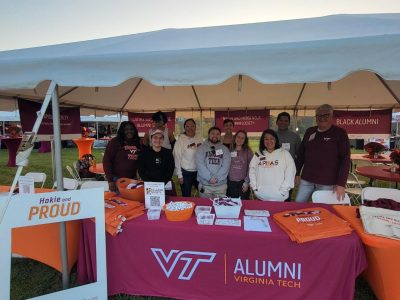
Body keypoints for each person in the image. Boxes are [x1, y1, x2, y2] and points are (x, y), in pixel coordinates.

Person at [295, 104, 351, 202]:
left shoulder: (340, 133)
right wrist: (296, 173)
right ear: (316, 117)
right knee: (298, 204)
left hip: (327, 182)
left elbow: (345, 160)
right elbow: (301, 154)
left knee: (322, 209)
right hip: (306, 179)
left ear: (331, 116)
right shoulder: (310, 131)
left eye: (326, 115)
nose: (322, 118)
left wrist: (341, 184)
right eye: (319, 115)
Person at [249, 129, 296, 201]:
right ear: (263, 141)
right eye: (266, 139)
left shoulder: (284, 153)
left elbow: (291, 172)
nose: (269, 141)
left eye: (271, 138)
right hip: (261, 196)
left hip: (279, 197)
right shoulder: (258, 154)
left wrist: (283, 191)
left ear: (276, 140)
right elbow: (252, 169)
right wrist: (255, 187)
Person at [103, 121, 141, 192]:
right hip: (117, 180)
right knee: (119, 201)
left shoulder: (138, 142)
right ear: (122, 131)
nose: (129, 131)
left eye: (131, 129)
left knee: (131, 201)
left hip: (132, 180)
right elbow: (107, 161)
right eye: (126, 129)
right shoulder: (115, 142)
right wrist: (110, 181)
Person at [195, 126, 231, 198]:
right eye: (213, 133)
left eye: (217, 134)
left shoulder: (225, 149)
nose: (215, 135)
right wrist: (209, 178)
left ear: (220, 136)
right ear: (208, 135)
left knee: (220, 207)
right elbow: (200, 165)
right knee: (206, 207)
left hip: (220, 186)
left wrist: (216, 178)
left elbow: (226, 166)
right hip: (205, 185)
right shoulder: (201, 148)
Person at [138, 128, 175, 195]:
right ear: (151, 139)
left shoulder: (168, 153)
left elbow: (170, 169)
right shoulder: (144, 153)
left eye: (161, 138)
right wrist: (151, 184)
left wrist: (162, 183)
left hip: (165, 184)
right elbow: (141, 171)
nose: (158, 140)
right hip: (149, 185)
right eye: (155, 137)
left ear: (163, 140)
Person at [173, 118, 203, 197]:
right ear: (184, 128)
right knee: (186, 196)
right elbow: (177, 158)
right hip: (186, 173)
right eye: (187, 126)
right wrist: (179, 175)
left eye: (192, 126)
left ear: (195, 127)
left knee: (203, 193)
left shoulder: (199, 138)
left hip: (198, 172)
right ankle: (187, 209)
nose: (190, 128)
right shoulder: (180, 140)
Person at [276, 111, 301, 201]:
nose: (283, 122)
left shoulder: (295, 137)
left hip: (289, 172)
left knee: (286, 196)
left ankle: (283, 213)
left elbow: (299, 156)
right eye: (281, 120)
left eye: (286, 121)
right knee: (274, 195)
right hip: (274, 171)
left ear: (289, 123)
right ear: (277, 122)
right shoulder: (272, 136)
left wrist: (297, 174)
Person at [227, 130, 253, 199]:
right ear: (235, 138)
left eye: (242, 138)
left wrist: (247, 182)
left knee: (243, 203)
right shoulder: (229, 150)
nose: (239, 139)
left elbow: (251, 167)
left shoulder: (248, 151)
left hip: (243, 183)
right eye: (238, 137)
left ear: (245, 140)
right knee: (232, 204)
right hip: (231, 182)